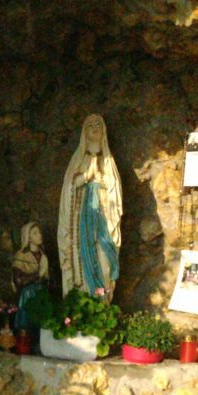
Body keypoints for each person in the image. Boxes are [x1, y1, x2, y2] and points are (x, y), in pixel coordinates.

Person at [57, 113, 122, 301]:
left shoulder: (108, 161)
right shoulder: (78, 159)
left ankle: (102, 307)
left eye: (98, 124)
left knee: (105, 262)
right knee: (81, 263)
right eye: (90, 125)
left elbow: (115, 192)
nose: (95, 127)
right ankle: (84, 305)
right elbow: (69, 187)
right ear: (84, 132)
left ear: (104, 131)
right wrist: (86, 177)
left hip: (103, 222)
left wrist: (101, 180)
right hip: (81, 223)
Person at [11, 221, 49, 333]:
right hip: (26, 296)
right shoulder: (21, 255)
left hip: (41, 294)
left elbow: (46, 278)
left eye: (39, 232)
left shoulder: (43, 257)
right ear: (29, 237)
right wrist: (37, 276)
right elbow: (18, 280)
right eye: (35, 233)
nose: (40, 235)